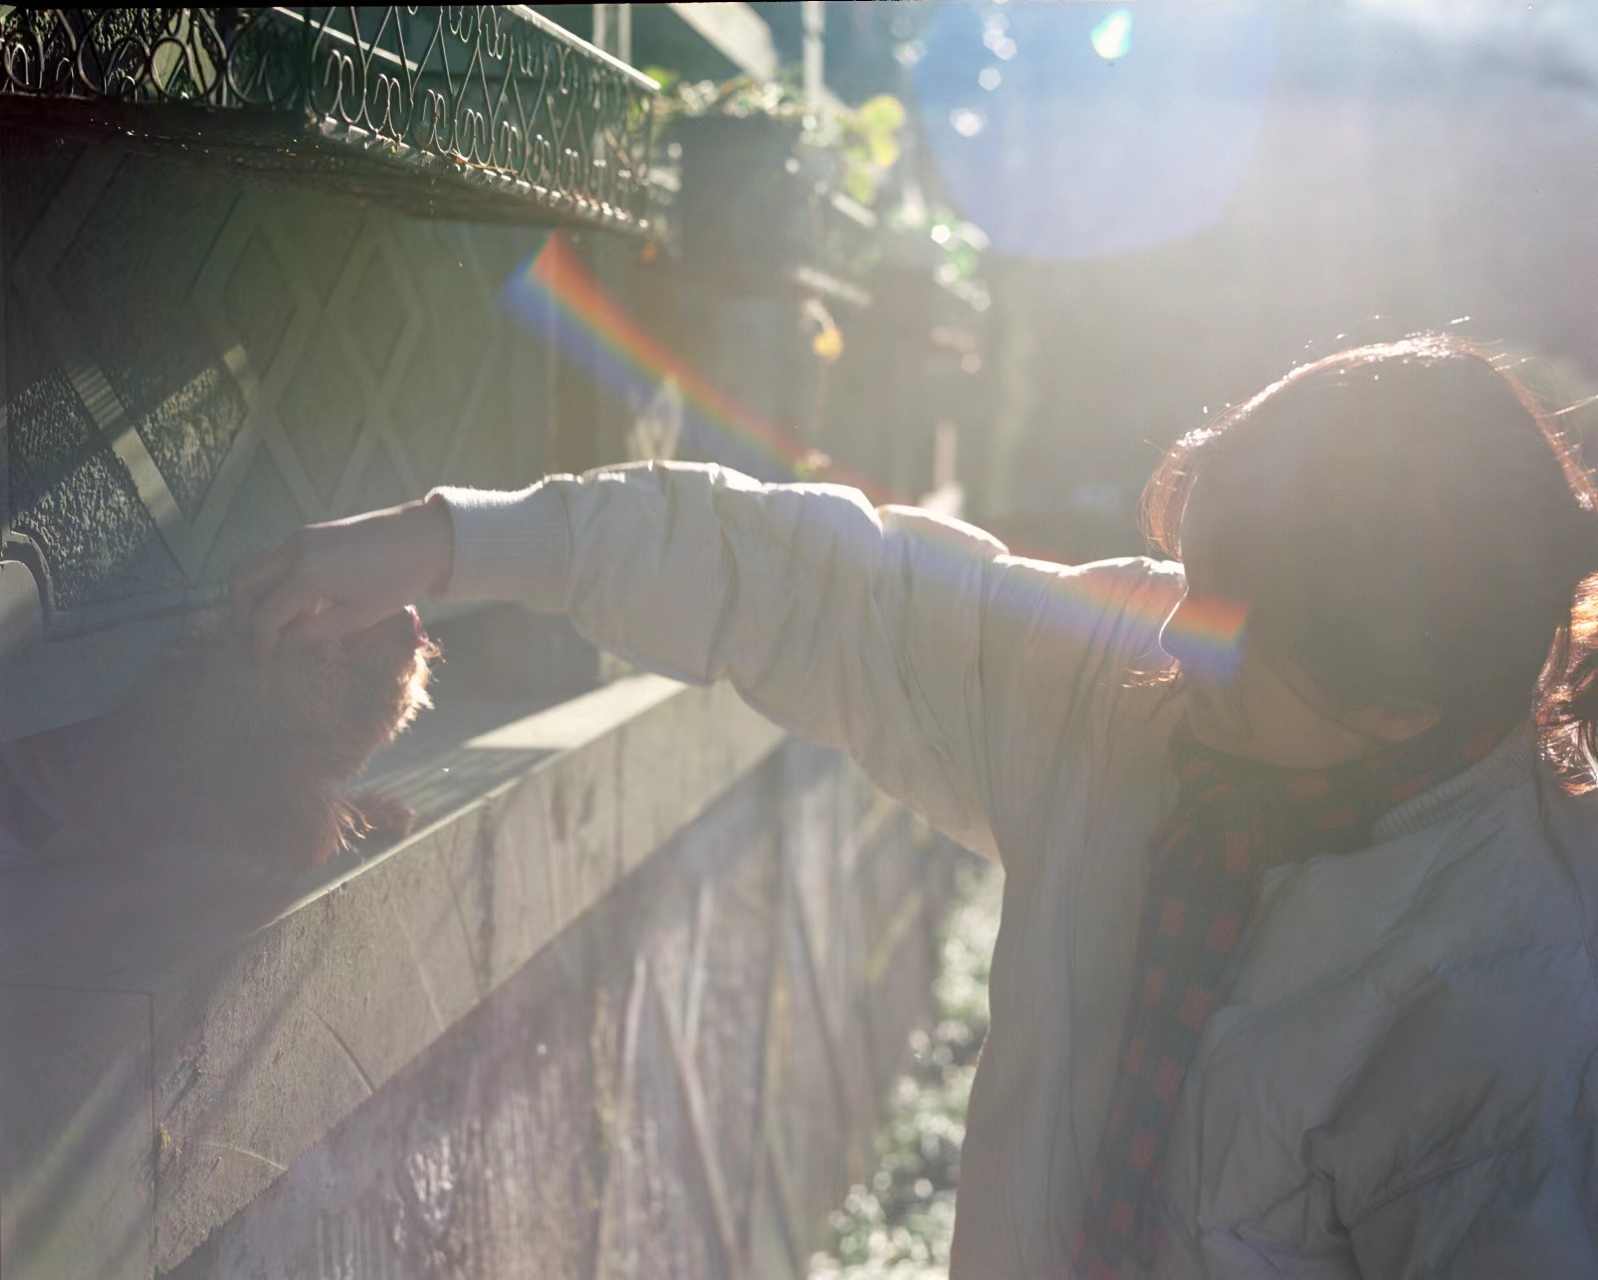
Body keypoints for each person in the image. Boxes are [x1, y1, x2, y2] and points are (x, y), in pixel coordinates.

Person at [231, 333, 1598, 1279]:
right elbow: (825, 586)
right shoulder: (1126, 683)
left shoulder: (1516, 1004)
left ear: (1400, 705)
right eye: (1194, 586)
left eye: (1242, 635)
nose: (1184, 642)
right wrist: (453, 541)